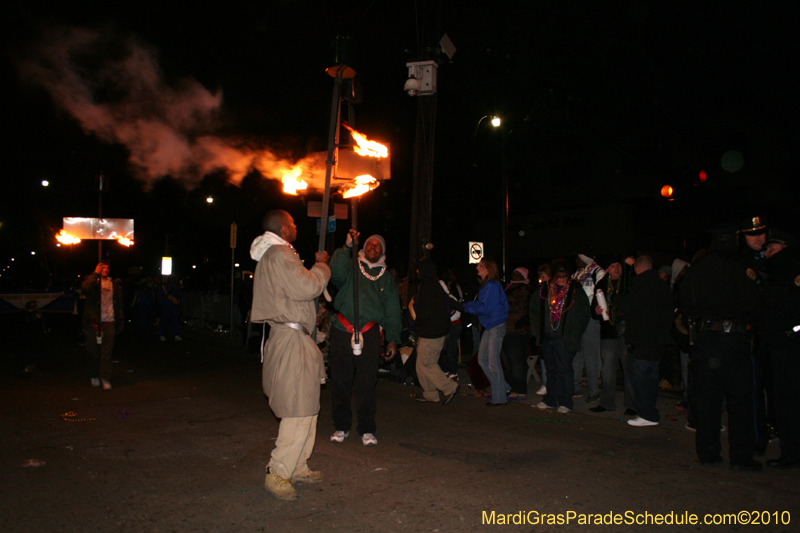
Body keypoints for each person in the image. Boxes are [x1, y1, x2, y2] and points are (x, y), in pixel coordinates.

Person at [249, 210, 331, 501]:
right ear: (284, 228)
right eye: (293, 223)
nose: (296, 226)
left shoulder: (278, 255)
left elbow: (294, 296)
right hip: (290, 342)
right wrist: (322, 266)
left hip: (296, 338)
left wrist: (312, 318)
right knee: (298, 409)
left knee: (308, 406)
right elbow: (307, 286)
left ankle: (297, 465)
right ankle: (279, 472)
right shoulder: (280, 254)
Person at [679, 224, 762, 471]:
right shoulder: (738, 266)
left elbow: (684, 303)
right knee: (739, 400)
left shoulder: (697, 268)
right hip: (732, 340)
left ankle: (708, 452)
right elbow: (754, 302)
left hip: (704, 340)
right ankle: (741, 456)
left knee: (707, 399)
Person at [329, 230, 401, 446]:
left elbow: (392, 311)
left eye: (377, 246)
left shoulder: (386, 279)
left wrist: (392, 339)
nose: (373, 247)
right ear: (363, 248)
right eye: (369, 244)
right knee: (340, 382)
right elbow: (335, 273)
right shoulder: (351, 266)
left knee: (367, 383)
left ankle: (367, 429)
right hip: (342, 330)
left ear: (382, 252)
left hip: (369, 334)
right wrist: (346, 247)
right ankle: (341, 427)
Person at [616, 256, 675, 427]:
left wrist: (617, 298)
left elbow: (628, 306)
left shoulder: (643, 286)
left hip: (643, 340)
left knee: (639, 379)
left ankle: (647, 413)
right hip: (658, 340)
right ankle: (649, 412)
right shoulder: (662, 286)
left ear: (638, 269)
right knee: (650, 378)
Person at [761, 228, 800, 469]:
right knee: (783, 401)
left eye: (772, 249)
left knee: (789, 401)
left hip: (790, 345)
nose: (767, 254)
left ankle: (792, 452)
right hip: (780, 344)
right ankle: (790, 449)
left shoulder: (791, 273)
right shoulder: (776, 273)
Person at [530, 259, 590, 413]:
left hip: (565, 337)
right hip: (548, 336)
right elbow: (534, 311)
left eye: (564, 276)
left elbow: (583, 315)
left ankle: (565, 402)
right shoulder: (545, 289)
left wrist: (574, 334)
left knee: (564, 369)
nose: (562, 279)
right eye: (559, 276)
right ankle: (550, 399)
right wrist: (538, 333)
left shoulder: (576, 289)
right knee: (551, 369)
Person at [455, 258, 509, 406]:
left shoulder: (491, 286)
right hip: (491, 325)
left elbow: (485, 307)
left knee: (492, 362)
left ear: (487, 269)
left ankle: (499, 398)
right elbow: (482, 305)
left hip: (495, 325)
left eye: (480, 266)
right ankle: (503, 388)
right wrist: (464, 305)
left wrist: (464, 307)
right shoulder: (488, 285)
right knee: (483, 360)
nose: (477, 268)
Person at [409, 259, 459, 404]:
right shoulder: (434, 285)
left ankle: (449, 387)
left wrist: (417, 329)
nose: (417, 272)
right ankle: (430, 394)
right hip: (434, 331)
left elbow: (425, 312)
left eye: (419, 269)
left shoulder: (428, 287)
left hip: (431, 333)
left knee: (427, 364)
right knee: (421, 363)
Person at [589, 257, 634, 413]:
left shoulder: (628, 283)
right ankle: (607, 403)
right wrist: (596, 310)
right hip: (608, 332)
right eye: (613, 266)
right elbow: (594, 308)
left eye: (619, 266)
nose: (617, 269)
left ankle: (632, 405)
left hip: (626, 331)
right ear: (607, 269)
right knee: (607, 370)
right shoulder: (601, 285)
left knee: (629, 368)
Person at [81, 262, 124, 390]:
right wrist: (95, 273)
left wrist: (120, 322)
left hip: (109, 321)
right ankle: (94, 376)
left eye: (107, 267)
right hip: (92, 321)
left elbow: (119, 304)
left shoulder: (114, 284)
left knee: (107, 352)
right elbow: (85, 288)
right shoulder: (92, 281)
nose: (105, 270)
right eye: (102, 267)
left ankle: (105, 378)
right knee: (92, 352)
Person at [571, 253, 606, 402]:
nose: (576, 261)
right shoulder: (576, 274)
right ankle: (576, 387)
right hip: (577, 319)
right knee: (576, 355)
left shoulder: (598, 272)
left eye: (578, 258)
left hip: (591, 318)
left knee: (591, 356)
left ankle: (593, 391)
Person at [502, 267, 533, 395]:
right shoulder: (508, 289)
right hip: (505, 329)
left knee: (517, 362)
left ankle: (520, 389)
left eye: (517, 275)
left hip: (518, 331)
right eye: (513, 274)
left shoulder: (524, 290)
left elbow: (520, 308)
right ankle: (510, 387)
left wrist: (503, 304)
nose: (514, 277)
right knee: (508, 362)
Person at [157, 275, 183, 341]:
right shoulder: (163, 287)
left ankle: (176, 335)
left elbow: (180, 295)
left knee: (175, 321)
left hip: (173, 306)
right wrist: (163, 304)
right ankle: (162, 334)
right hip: (166, 306)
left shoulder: (175, 287)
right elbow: (160, 296)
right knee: (164, 320)